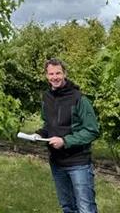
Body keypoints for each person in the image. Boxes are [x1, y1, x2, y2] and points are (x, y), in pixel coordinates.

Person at [34, 58, 100, 213]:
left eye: (58, 73)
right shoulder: (46, 98)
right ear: (46, 76)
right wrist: (38, 134)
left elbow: (92, 130)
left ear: (65, 74)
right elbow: (48, 125)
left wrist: (65, 141)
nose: (55, 77)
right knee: (67, 207)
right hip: (57, 163)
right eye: (51, 74)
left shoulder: (79, 98)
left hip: (78, 163)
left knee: (85, 208)